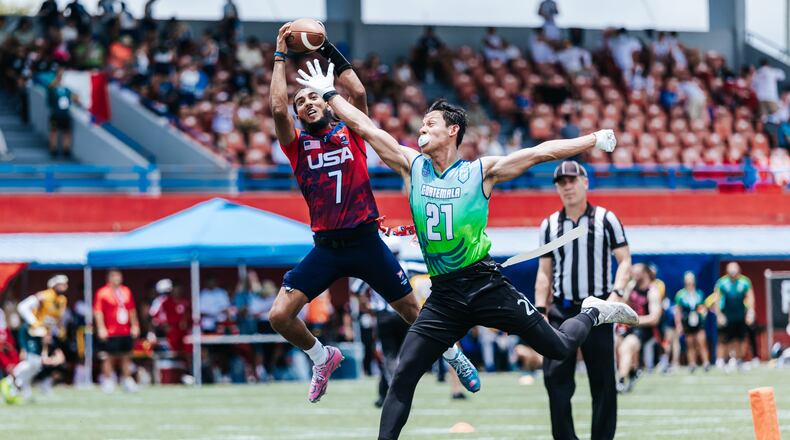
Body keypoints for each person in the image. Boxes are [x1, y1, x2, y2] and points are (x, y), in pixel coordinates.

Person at [295, 61, 639, 439]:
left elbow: (541, 153)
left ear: (452, 130)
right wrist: (329, 94)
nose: (421, 129)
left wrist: (590, 140)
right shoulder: (413, 165)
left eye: (430, 124)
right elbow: (365, 127)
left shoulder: (481, 171)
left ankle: (591, 311)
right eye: (421, 124)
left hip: (485, 283)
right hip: (444, 295)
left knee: (557, 348)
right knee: (403, 376)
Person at [267, 23, 478, 403]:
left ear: (328, 103)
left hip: (366, 240)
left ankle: (453, 355)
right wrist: (281, 53)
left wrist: (325, 45)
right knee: (279, 316)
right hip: (327, 247)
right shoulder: (296, 147)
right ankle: (322, 357)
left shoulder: (352, 134)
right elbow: (278, 106)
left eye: (315, 97)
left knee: (413, 312)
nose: (308, 103)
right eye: (302, 102)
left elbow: (359, 91)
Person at [534, 160, 632, 440]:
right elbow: (544, 272)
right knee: (554, 379)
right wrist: (540, 309)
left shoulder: (606, 219)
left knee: (603, 383)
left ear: (585, 182)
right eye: (561, 182)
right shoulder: (550, 225)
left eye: (572, 180)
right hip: (561, 311)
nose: (567, 187)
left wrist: (616, 296)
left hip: (598, 310)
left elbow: (625, 261)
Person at [1, 275, 68, 403]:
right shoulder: (43, 296)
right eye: (61, 283)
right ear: (53, 284)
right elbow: (22, 307)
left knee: (37, 365)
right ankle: (9, 381)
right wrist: (34, 322)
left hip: (43, 334)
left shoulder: (61, 300)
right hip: (31, 331)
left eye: (65, 284)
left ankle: (18, 388)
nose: (64, 286)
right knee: (33, 361)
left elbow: (55, 319)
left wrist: (55, 331)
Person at [616, 264, 662, 393]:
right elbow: (623, 304)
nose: (633, 274)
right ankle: (633, 372)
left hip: (645, 329)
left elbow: (655, 318)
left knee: (626, 347)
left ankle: (620, 381)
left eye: (636, 272)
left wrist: (634, 321)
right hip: (630, 327)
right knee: (617, 346)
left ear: (645, 273)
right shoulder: (632, 286)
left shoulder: (652, 291)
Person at [94, 269, 140, 393]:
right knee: (108, 357)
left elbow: (132, 310)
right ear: (109, 278)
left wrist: (135, 325)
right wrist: (101, 328)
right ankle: (108, 380)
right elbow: (98, 312)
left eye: (118, 276)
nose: (117, 279)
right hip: (110, 331)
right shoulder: (102, 292)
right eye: (114, 276)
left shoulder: (126, 291)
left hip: (125, 330)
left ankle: (127, 379)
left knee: (126, 356)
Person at [712, 262, 755, 370]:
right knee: (724, 339)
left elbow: (750, 297)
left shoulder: (744, 282)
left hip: (740, 315)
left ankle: (738, 359)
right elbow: (716, 299)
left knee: (740, 339)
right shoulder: (722, 282)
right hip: (727, 315)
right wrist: (719, 315)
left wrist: (750, 311)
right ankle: (722, 360)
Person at [674, 271, 710, 372]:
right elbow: (678, 310)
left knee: (701, 341)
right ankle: (692, 363)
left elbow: (702, 307)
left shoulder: (699, 293)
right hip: (687, 321)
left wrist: (703, 314)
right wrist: (679, 324)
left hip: (698, 321)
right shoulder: (681, 294)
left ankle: (705, 362)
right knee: (690, 343)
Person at [47, 68, 77, 159]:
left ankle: (66, 149)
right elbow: (50, 91)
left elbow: (74, 97)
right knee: (54, 131)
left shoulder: (67, 89)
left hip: (65, 114)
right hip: (56, 114)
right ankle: (53, 149)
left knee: (66, 131)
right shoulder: (52, 87)